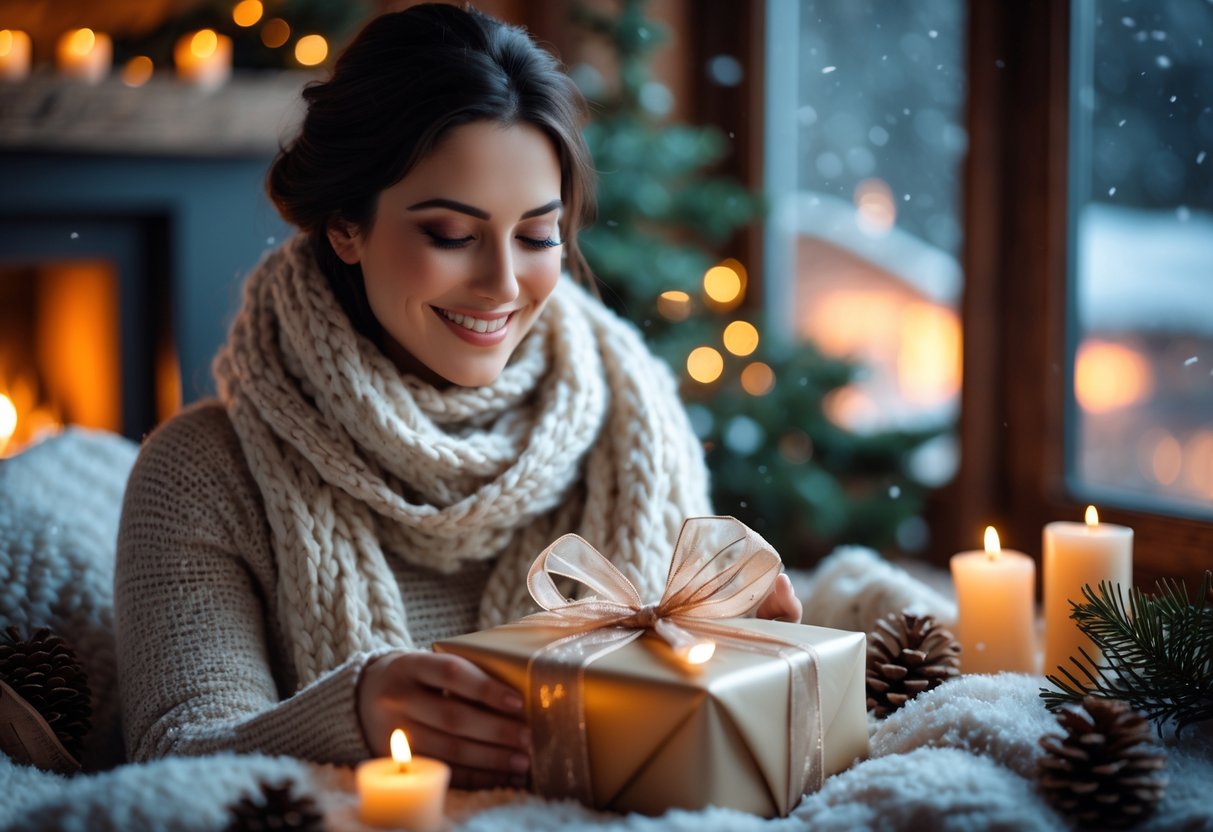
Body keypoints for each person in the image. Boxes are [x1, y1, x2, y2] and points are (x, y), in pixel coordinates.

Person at [114, 2, 801, 791]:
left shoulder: (633, 425)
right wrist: (351, 717)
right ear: (345, 225)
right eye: (450, 234)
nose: (502, 284)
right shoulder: (201, 473)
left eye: (536, 235)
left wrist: (740, 664)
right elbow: (173, 762)